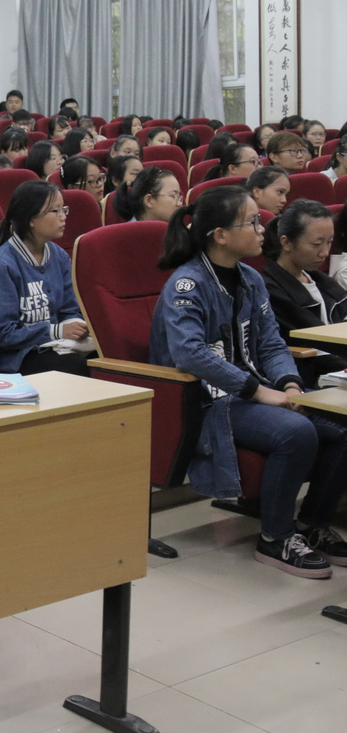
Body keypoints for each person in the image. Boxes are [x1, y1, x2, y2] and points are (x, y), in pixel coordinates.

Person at [151, 185, 347, 576]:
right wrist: (259, 392)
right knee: (296, 431)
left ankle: (312, 523)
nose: (263, 229)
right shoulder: (187, 284)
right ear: (221, 235)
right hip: (210, 398)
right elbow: (190, 354)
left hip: (254, 390)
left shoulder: (250, 279)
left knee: (341, 423)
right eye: (253, 222)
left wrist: (290, 384)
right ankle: (275, 537)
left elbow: (271, 343)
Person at [0, 179, 92, 376]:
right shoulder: (1, 266)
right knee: (76, 367)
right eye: (55, 211)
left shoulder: (59, 256)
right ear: (31, 219)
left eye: (64, 209)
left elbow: (69, 309)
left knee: (105, 360)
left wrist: (78, 327)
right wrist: (56, 331)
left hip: (54, 346)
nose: (63, 216)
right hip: (16, 358)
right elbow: (3, 335)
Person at [260, 200, 347, 386]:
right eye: (316, 244)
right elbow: (318, 346)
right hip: (313, 376)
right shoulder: (270, 290)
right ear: (287, 243)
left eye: (330, 242)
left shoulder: (323, 283)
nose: (325, 252)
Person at [113, 166, 182, 223]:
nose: (180, 204)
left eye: (179, 197)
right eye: (173, 196)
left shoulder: (178, 231)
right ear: (149, 200)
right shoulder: (126, 234)